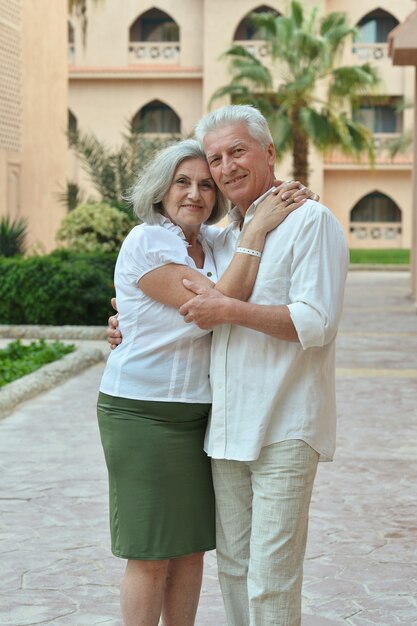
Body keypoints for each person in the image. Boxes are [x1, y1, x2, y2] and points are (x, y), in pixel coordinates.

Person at [108, 105, 349, 626]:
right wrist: (123, 317)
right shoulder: (224, 237)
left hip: (284, 425)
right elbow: (172, 287)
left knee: (270, 579)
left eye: (236, 152)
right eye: (214, 159)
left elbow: (317, 323)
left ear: (268, 152)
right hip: (221, 429)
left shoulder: (309, 221)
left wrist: (229, 310)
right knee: (234, 569)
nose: (223, 169)